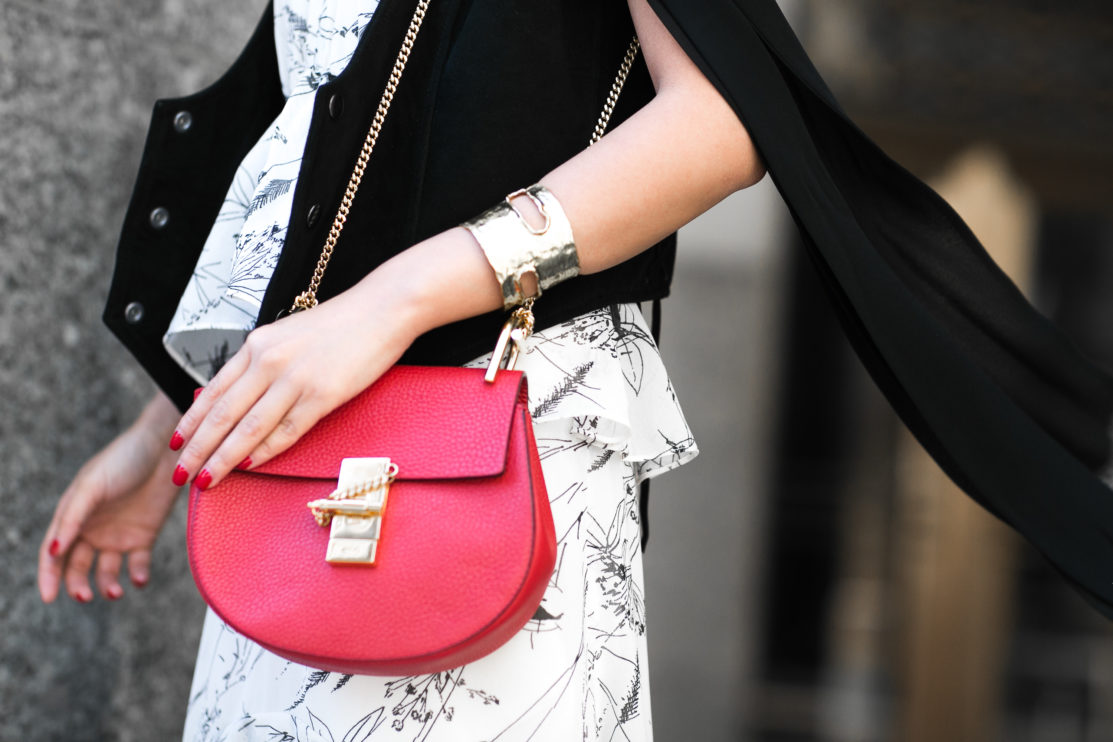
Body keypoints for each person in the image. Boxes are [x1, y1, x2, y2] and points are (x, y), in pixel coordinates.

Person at [36, 0, 1113, 739]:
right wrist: (170, 425)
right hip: (304, 464)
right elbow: (309, 177)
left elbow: (723, 119)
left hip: (496, 432)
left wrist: (393, 300)